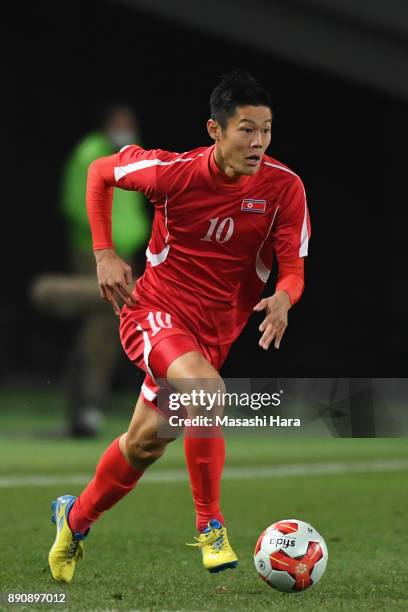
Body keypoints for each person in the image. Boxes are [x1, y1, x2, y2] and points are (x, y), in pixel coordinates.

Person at [48, 70, 311, 582]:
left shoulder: (285, 188)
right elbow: (100, 173)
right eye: (246, 130)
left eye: (267, 129)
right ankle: (211, 527)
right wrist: (103, 253)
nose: (258, 142)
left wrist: (283, 297)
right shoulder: (171, 172)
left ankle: (73, 519)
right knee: (207, 391)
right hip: (153, 312)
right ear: (215, 130)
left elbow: (294, 270)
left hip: (213, 334)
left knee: (143, 444)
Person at [31, 102, 151, 437]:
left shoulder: (130, 156)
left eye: (129, 121)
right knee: (101, 323)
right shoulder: (90, 153)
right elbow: (77, 202)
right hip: (96, 252)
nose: (125, 127)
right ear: (104, 124)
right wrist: (105, 249)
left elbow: (134, 206)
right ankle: (85, 406)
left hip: (125, 253)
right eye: (119, 122)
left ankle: (88, 408)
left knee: (111, 326)